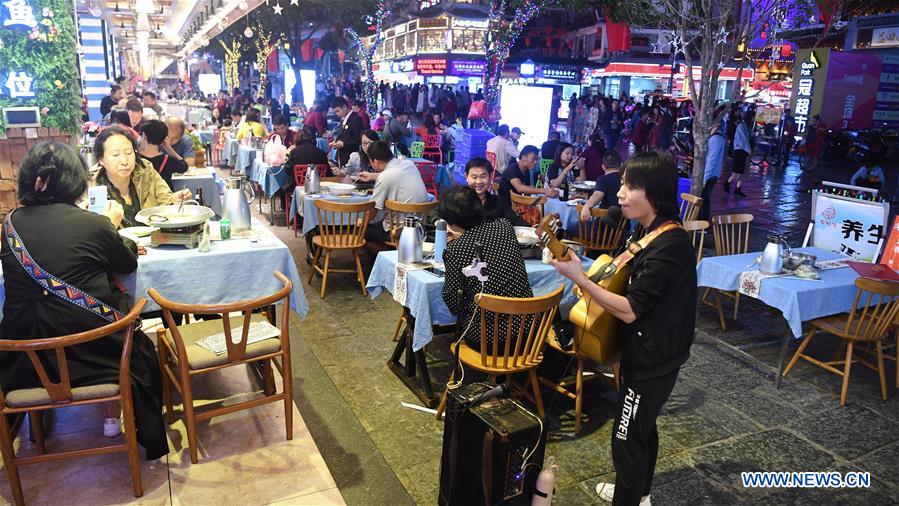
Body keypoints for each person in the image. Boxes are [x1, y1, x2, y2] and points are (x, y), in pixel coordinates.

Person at [0, 141, 168, 460]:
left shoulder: (11, 224)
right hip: (97, 357)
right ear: (76, 180)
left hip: (25, 361)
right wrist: (112, 226)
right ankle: (131, 427)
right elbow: (126, 264)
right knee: (139, 344)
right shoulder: (92, 223)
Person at [548, 151, 696, 506]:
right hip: (652, 351)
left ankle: (628, 499)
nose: (620, 193)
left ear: (655, 194)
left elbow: (630, 310)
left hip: (652, 359)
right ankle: (639, 494)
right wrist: (583, 273)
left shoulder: (669, 246)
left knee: (627, 435)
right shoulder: (652, 231)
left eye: (630, 186)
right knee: (642, 429)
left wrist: (579, 277)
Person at [439, 185, 532, 348]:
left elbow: (454, 303)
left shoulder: (455, 249)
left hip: (488, 339)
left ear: (451, 222)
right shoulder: (505, 227)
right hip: (528, 331)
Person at [90, 127, 191, 229]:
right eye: (115, 155)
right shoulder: (92, 186)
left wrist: (175, 200)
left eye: (129, 153)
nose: (124, 161)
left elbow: (166, 202)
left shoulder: (145, 170)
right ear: (101, 160)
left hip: (152, 241)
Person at [365, 141, 429, 245]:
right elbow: (395, 175)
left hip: (396, 232)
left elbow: (372, 210)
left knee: (363, 231)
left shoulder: (384, 177)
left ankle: (380, 258)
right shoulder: (409, 164)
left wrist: (361, 223)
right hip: (419, 228)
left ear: (375, 161)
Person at [464, 157, 527, 226]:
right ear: (466, 177)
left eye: (483, 176)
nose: (478, 182)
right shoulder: (460, 202)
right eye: (474, 177)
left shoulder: (498, 202)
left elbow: (515, 220)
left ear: (491, 177)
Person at [140, 119, 189, 191]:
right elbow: (184, 167)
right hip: (166, 199)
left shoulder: (135, 159)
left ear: (144, 135)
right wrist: (168, 148)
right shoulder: (169, 160)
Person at [282, 128, 330, 196]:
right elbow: (328, 173)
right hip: (317, 187)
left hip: (296, 187)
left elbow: (287, 169)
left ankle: (288, 206)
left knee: (283, 188)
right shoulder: (321, 153)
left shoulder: (294, 152)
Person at [580, 151, 623, 220]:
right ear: (621, 165)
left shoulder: (603, 179)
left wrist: (586, 206)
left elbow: (597, 195)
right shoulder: (626, 179)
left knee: (574, 226)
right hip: (623, 224)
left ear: (603, 167)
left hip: (605, 223)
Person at [699, 117, 726, 221]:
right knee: (704, 199)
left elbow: (711, 161)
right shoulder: (715, 138)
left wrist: (705, 179)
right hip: (711, 174)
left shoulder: (716, 139)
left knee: (704, 199)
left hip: (710, 175)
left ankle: (703, 222)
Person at [329, 97, 363, 166]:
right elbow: (343, 135)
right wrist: (336, 141)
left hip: (351, 157)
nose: (337, 114)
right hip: (342, 155)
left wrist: (344, 144)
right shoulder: (344, 119)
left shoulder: (355, 119)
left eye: (338, 111)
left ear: (344, 107)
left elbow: (359, 139)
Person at [724, 111, 750, 197]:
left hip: (741, 151)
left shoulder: (743, 125)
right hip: (740, 151)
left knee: (740, 172)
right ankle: (727, 183)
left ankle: (738, 188)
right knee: (736, 172)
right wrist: (748, 150)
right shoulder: (741, 126)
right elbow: (743, 139)